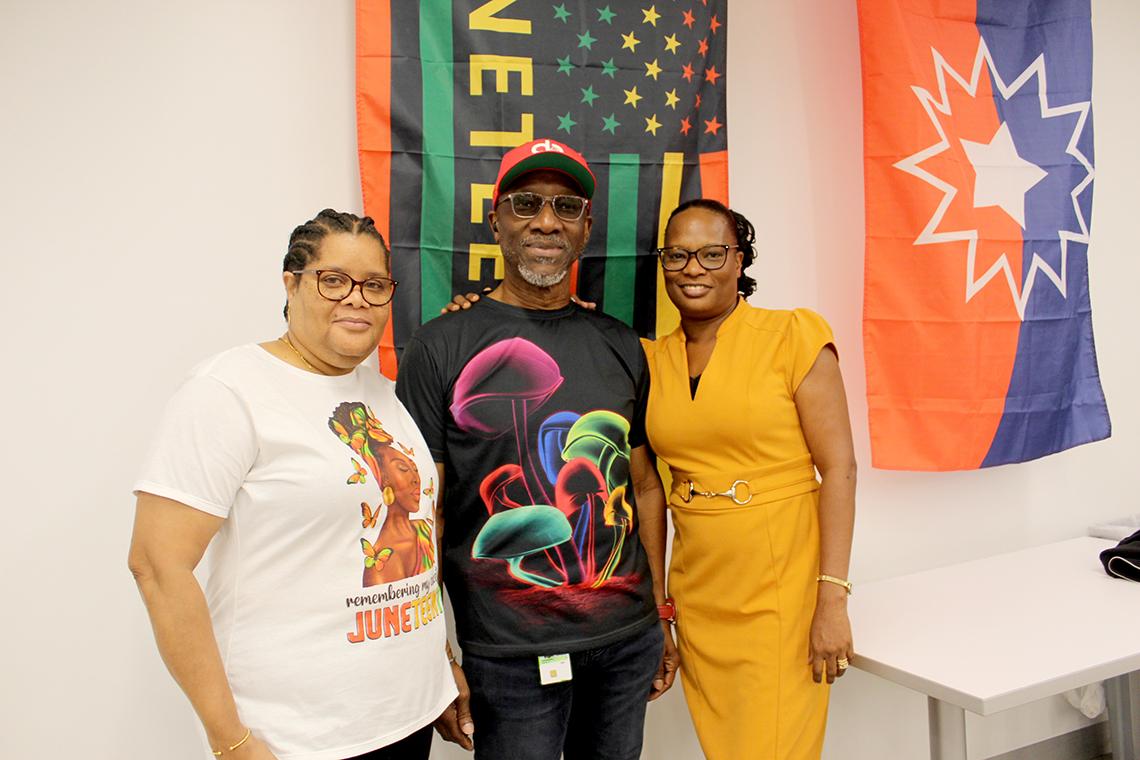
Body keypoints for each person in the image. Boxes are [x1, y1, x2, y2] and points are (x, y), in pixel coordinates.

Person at [128, 209, 457, 760]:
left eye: (374, 285)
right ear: (291, 284)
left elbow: (417, 547)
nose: (357, 298)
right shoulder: (228, 391)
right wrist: (229, 740)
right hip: (300, 737)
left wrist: (438, 667)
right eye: (334, 280)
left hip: (406, 718)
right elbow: (157, 567)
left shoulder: (382, 393)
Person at [395, 138, 679, 760]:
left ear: (585, 229)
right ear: (496, 220)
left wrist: (659, 612)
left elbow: (643, 485)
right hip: (508, 656)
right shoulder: (439, 346)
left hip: (625, 642)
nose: (547, 221)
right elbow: (421, 513)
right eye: (526, 204)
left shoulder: (621, 344)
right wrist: (432, 651)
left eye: (566, 207)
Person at [641, 198, 856, 760]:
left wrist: (832, 599)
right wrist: (661, 609)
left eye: (712, 254)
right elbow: (647, 487)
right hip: (699, 593)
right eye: (677, 255)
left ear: (740, 260)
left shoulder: (792, 336)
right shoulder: (650, 360)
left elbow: (839, 468)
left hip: (781, 593)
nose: (692, 268)